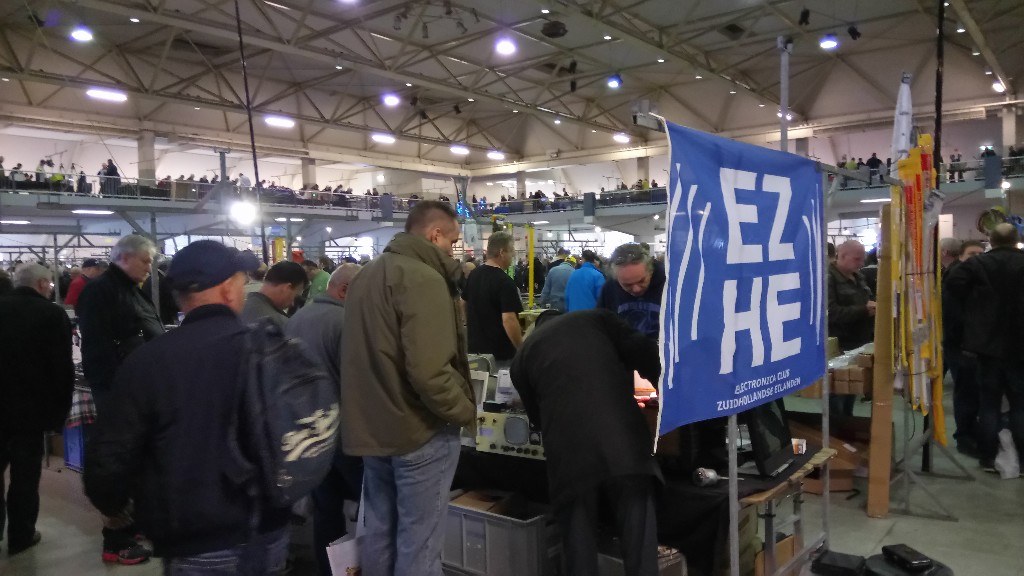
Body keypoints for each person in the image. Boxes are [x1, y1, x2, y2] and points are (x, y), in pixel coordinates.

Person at [83, 240, 296, 574]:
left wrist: (121, 511)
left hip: (193, 537)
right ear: (228, 289)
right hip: (269, 527)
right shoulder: (270, 348)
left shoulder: (148, 362)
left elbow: (107, 461)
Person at [341, 200, 475, 576]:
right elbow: (430, 372)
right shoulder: (423, 279)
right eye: (453, 242)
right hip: (420, 431)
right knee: (420, 544)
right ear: (435, 235)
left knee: (379, 533)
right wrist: (465, 411)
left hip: (374, 429)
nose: (454, 251)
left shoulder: (366, 275)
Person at [510, 309, 662, 576]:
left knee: (578, 543)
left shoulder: (522, 357)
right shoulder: (594, 319)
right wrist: (663, 391)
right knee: (639, 537)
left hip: (570, 454)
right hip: (623, 443)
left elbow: (537, 418)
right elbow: (645, 351)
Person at [76, 234, 164, 564]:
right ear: (124, 258)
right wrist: (120, 389)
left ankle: (134, 524)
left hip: (133, 390)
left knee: (136, 460)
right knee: (119, 462)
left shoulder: (126, 289)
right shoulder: (101, 291)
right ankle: (116, 539)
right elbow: (98, 347)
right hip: (119, 392)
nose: (149, 267)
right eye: (145, 260)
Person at [286, 263, 363, 576]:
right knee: (370, 508)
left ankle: (330, 570)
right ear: (344, 290)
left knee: (326, 512)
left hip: (309, 435)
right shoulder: (345, 322)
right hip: (344, 436)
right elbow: (357, 382)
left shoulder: (297, 318)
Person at [0, 263, 75, 556]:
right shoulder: (51, 314)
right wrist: (60, 412)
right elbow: (62, 368)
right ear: (43, 284)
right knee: (25, 478)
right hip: (30, 411)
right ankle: (21, 535)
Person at [945, 224, 1024, 472]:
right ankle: (1022, 459)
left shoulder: (978, 264)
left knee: (989, 403)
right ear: (1016, 240)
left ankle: (988, 457)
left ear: (991, 240)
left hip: (987, 346)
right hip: (1019, 346)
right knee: (1020, 404)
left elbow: (953, 283)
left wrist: (975, 303)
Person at [942, 239, 986, 456]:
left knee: (973, 393)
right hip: (961, 346)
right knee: (966, 393)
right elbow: (952, 316)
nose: (976, 258)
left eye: (980, 254)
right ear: (961, 256)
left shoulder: (977, 277)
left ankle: (971, 434)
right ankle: (964, 437)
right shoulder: (956, 278)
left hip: (975, 345)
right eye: (971, 254)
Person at [827, 240, 875, 416]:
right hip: (839, 344)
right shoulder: (828, 279)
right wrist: (863, 310)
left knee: (852, 389)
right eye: (857, 259)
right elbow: (830, 313)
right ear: (842, 255)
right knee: (837, 392)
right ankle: (838, 426)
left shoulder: (858, 277)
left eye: (863, 259)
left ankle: (847, 421)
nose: (861, 263)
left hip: (858, 342)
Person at [463, 231, 523, 365]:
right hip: (500, 355)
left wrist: (471, 325)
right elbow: (509, 320)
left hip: (475, 351)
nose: (513, 254)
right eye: (511, 250)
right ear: (502, 252)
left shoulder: (474, 275)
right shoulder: (505, 282)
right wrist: (521, 348)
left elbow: (462, 302)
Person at [599, 243, 666, 339]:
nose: (636, 289)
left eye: (641, 281)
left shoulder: (669, 285)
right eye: (627, 285)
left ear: (650, 271)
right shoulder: (609, 289)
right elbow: (602, 326)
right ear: (616, 279)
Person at [240, 260, 308, 327]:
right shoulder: (279, 324)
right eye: (294, 296)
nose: (292, 304)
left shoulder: (239, 310)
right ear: (287, 288)